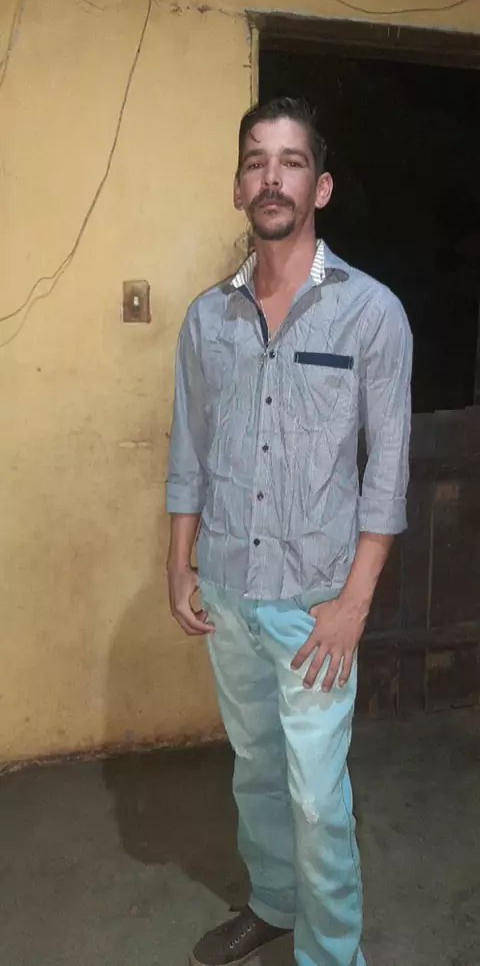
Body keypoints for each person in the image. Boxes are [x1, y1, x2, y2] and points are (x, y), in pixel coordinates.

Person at [166, 97, 412, 966]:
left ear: (322, 186)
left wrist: (353, 606)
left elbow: (387, 473)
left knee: (316, 797)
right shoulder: (208, 319)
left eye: (292, 161)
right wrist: (179, 563)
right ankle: (273, 902)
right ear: (239, 187)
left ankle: (331, 953)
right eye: (256, 161)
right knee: (256, 770)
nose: (272, 177)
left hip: (315, 608)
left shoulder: (371, 313)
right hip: (229, 591)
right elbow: (189, 448)